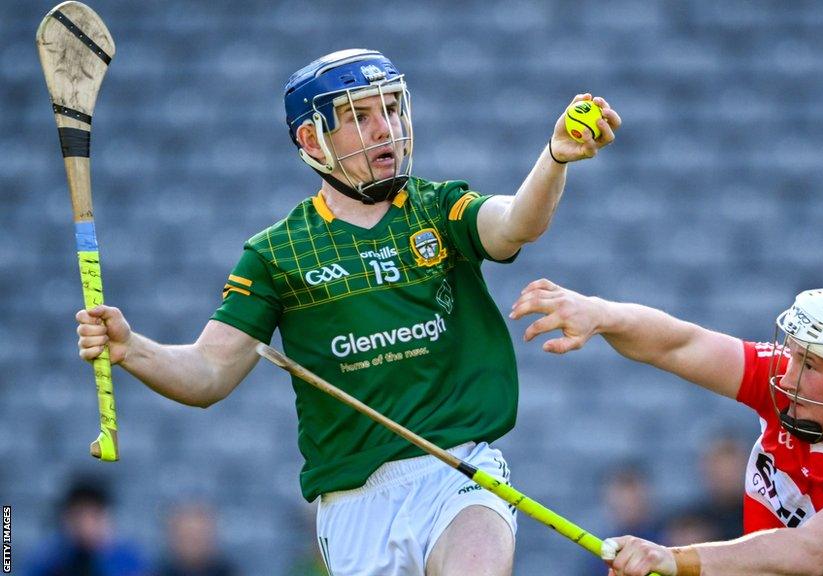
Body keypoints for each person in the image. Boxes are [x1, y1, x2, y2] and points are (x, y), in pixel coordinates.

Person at [74, 49, 620, 576]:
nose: (385, 128)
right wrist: (131, 349)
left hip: (464, 475)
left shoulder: (437, 209)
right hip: (356, 505)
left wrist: (552, 160)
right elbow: (209, 374)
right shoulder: (276, 254)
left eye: (389, 108)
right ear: (312, 139)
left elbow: (514, 224)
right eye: (360, 116)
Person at [510, 281, 823, 575]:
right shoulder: (798, 391)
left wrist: (675, 559)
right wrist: (601, 313)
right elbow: (683, 344)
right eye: (794, 354)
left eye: (810, 363)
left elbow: (809, 552)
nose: (786, 373)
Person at [25, 476, 148, 576]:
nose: (86, 524)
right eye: (79, 515)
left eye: (93, 516)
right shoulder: (49, 559)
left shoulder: (127, 560)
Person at [156, 503, 237, 576]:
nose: (193, 545)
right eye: (187, 537)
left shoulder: (230, 572)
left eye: (198, 537)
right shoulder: (158, 572)